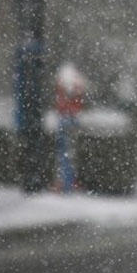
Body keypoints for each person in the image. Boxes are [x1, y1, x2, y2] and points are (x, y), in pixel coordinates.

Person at [53, 62, 86, 193]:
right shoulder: (77, 82)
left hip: (65, 118)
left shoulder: (63, 82)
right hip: (72, 118)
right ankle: (69, 182)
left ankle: (65, 182)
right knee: (70, 152)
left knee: (64, 152)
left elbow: (61, 102)